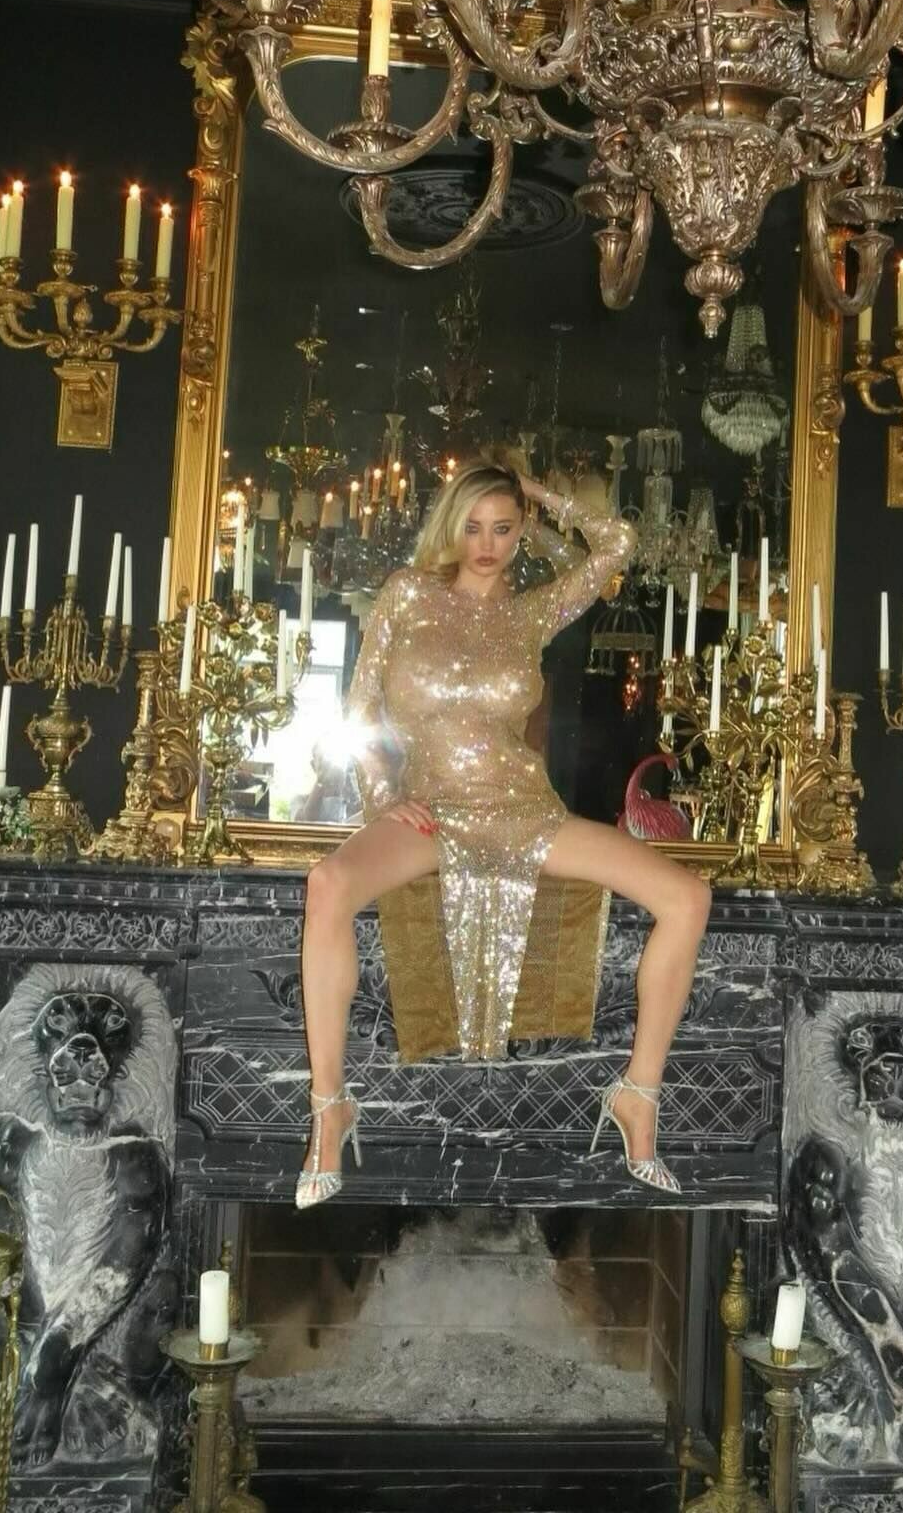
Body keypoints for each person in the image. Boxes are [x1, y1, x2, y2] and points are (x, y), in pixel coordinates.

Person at [295, 457, 712, 1207]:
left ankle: (638, 1094)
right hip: (431, 808)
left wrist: (540, 492)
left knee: (687, 897)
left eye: (503, 528)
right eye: (473, 527)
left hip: (524, 810)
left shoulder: (530, 614)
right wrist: (384, 795)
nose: (486, 545)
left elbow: (617, 545)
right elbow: (360, 706)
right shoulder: (408, 594)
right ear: (451, 527)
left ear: (521, 533)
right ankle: (330, 1108)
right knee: (327, 884)